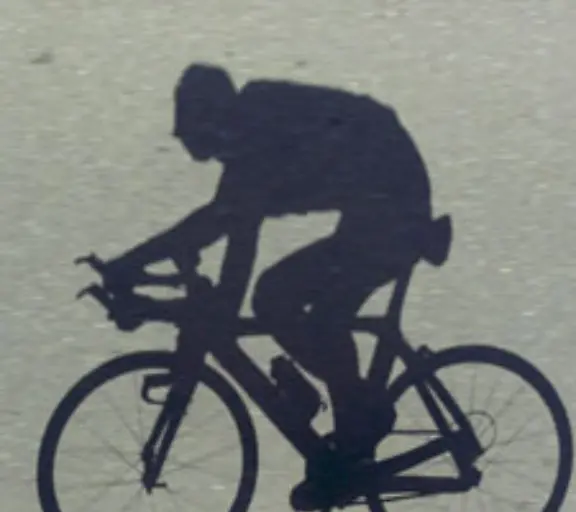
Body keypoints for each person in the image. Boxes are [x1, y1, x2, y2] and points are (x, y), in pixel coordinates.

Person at [102, 64, 452, 475]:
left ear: (214, 119)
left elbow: (229, 233)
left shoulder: (259, 126)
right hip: (377, 206)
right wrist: (129, 267)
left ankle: (361, 419)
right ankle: (351, 433)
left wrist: (133, 272)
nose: (210, 155)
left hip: (394, 210)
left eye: (205, 142)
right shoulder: (248, 135)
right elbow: (223, 221)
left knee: (289, 302)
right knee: (289, 302)